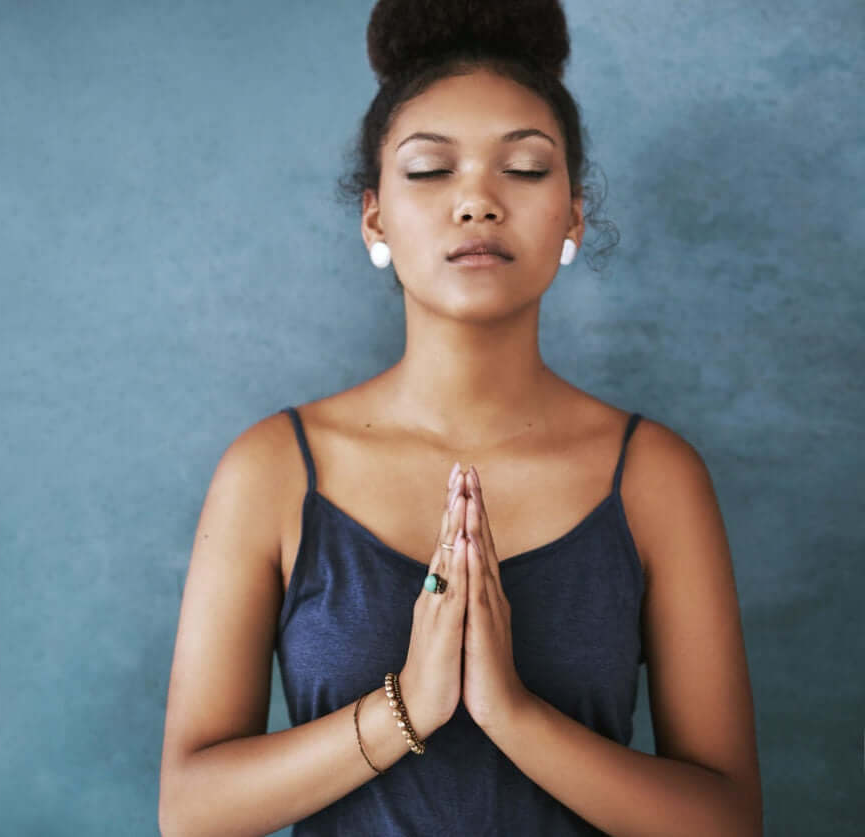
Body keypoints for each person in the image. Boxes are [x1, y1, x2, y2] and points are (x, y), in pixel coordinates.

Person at [158, 1, 763, 834]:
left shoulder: (656, 475)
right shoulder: (273, 469)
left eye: (523, 168)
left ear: (573, 217)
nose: (477, 202)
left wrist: (511, 712)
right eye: (430, 170)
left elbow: (726, 821)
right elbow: (191, 810)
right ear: (375, 215)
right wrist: (408, 706)